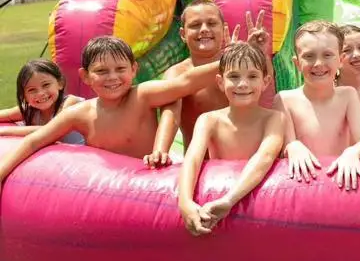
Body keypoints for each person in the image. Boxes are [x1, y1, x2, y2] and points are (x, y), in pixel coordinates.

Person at [0, 36, 228, 184]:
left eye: (120, 69)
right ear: (85, 76)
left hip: (151, 181)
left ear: (133, 69)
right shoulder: (80, 113)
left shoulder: (143, 96)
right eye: (101, 71)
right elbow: (33, 141)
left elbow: (186, 82)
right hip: (109, 189)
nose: (112, 78)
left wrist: (233, 57)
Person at [178, 42, 285, 236]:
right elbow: (192, 159)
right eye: (234, 77)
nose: (243, 84)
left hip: (253, 208)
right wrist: (185, 201)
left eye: (252, 76)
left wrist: (229, 199)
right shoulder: (209, 120)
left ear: (266, 81)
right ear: (220, 82)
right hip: (219, 208)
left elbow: (265, 157)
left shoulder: (274, 118)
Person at [145, 2, 270, 168]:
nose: (204, 29)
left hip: (246, 160)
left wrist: (260, 54)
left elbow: (266, 98)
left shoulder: (241, 68)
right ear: (183, 34)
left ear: (223, 28)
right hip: (201, 165)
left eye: (211, 23)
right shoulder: (177, 73)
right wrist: (160, 150)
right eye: (195, 25)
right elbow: (171, 115)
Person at [273, 20, 360, 189]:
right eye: (309, 56)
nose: (318, 63)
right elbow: (286, 145)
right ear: (297, 63)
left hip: (340, 183)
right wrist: (292, 145)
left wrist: (352, 152)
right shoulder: (284, 100)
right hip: (305, 186)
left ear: (340, 60)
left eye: (327, 55)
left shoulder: (348, 95)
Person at [0, 60, 85, 144]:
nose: (40, 93)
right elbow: (4, 114)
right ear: (24, 96)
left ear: (60, 83)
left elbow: (52, 130)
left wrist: (5, 131)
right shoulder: (30, 111)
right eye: (32, 90)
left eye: (46, 85)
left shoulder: (71, 103)